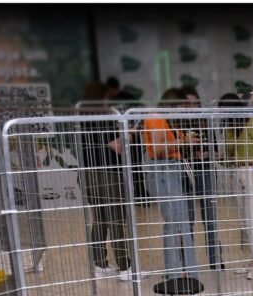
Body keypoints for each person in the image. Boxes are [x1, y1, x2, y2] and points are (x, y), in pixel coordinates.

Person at [142, 87, 198, 283]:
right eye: (181, 107)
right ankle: (174, 272)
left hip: (170, 172)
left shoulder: (164, 120)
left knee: (179, 221)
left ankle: (184, 270)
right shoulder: (155, 118)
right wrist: (183, 143)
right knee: (174, 222)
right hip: (163, 173)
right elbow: (157, 150)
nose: (182, 111)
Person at [78, 81, 133, 281]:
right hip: (107, 174)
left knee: (99, 219)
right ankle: (125, 267)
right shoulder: (105, 118)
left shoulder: (82, 117)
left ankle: (100, 263)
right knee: (116, 218)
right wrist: (130, 133)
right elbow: (117, 146)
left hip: (87, 174)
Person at [219, 92, 253, 281]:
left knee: (252, 220)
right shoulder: (231, 128)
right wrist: (224, 160)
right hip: (237, 172)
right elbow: (229, 154)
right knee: (244, 220)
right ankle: (252, 261)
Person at [179, 85, 224, 271]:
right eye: (187, 104)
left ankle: (215, 259)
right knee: (186, 220)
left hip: (205, 172)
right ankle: (187, 263)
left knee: (210, 219)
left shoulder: (205, 122)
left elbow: (215, 149)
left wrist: (209, 154)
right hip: (184, 174)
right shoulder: (176, 124)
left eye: (194, 103)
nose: (192, 107)